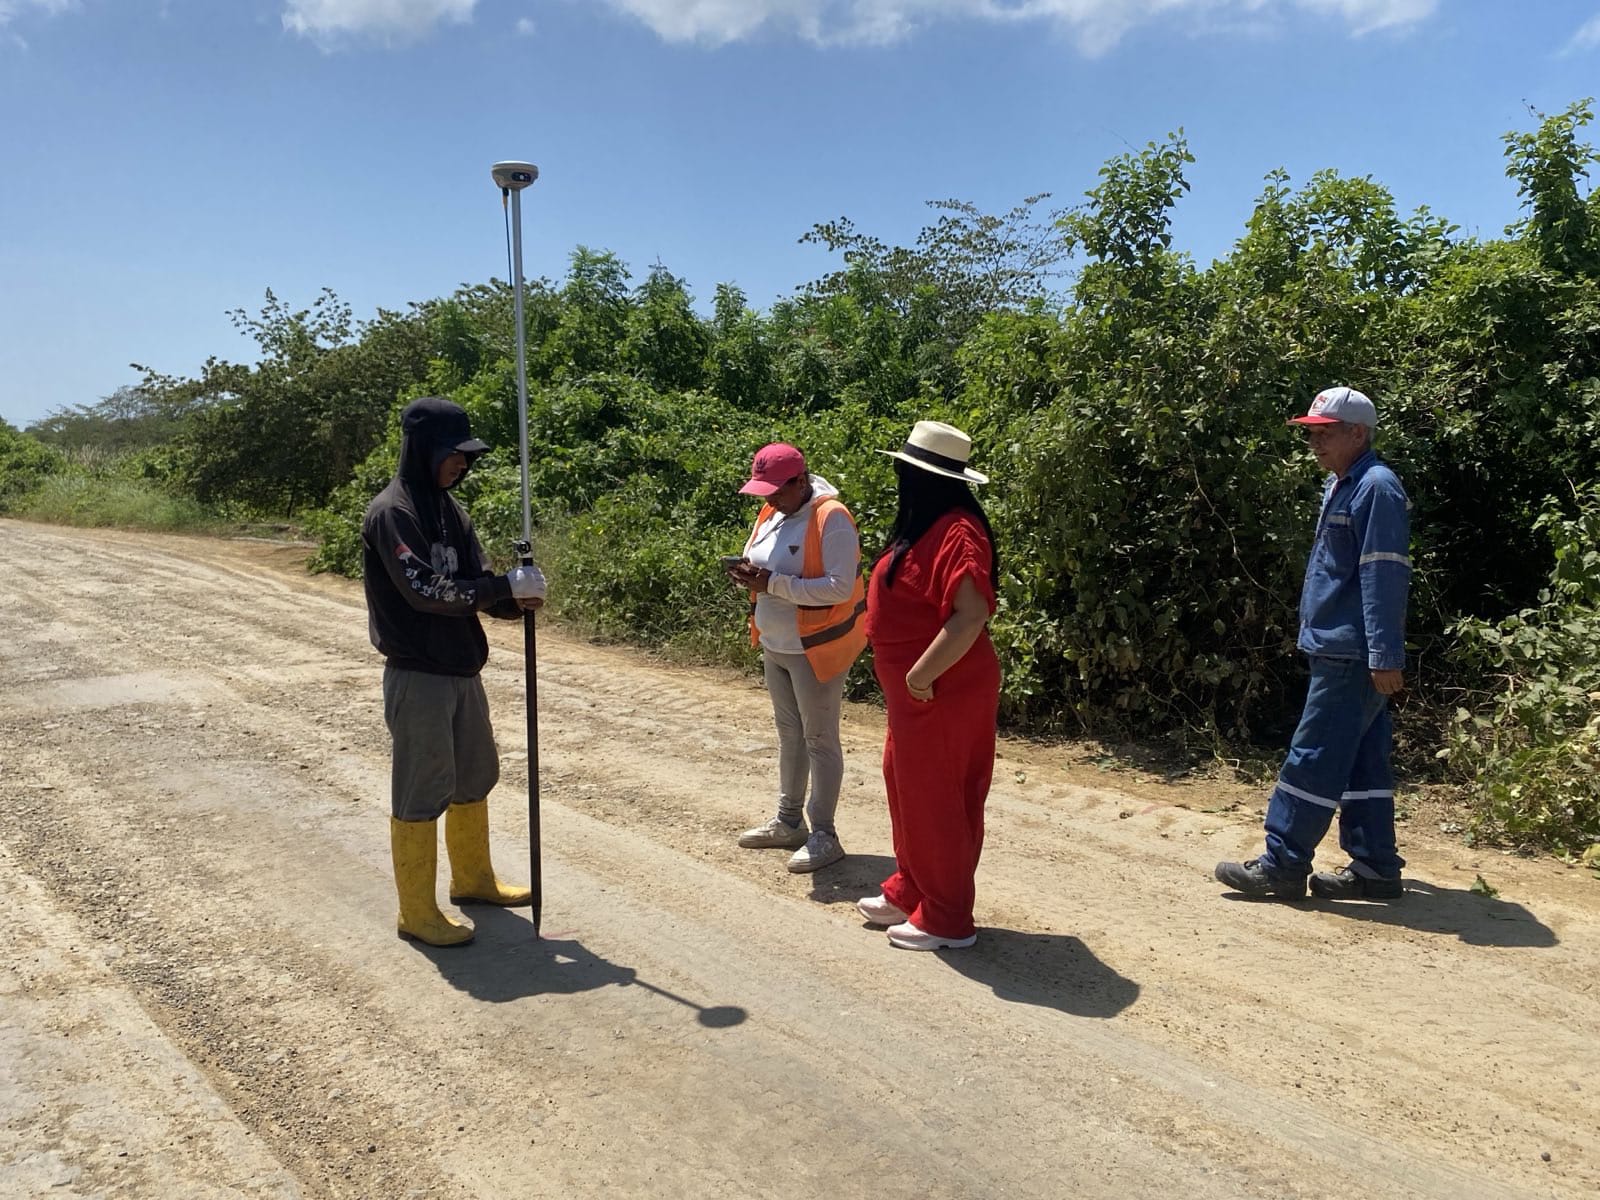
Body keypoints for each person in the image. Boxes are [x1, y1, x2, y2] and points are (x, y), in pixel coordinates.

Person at [361, 396, 548, 946]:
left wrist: (515, 599)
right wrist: (498, 587)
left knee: (473, 776)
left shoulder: (450, 510)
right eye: (453, 453)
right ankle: (416, 911)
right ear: (423, 449)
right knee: (422, 788)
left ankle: (473, 879)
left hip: (463, 666)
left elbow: (474, 581)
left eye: (467, 456)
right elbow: (424, 590)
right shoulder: (393, 512)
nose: (462, 464)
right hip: (418, 672)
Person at [1215, 386, 1411, 901]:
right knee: (1363, 761)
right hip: (1339, 647)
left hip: (1352, 652)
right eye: (1311, 434)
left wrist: (1384, 655)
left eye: (1325, 433)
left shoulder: (1376, 487)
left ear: (1358, 433)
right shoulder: (1342, 484)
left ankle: (1282, 865)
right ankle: (1376, 868)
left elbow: (1383, 575)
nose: (1315, 443)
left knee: (1314, 755)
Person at [855, 420, 1000, 950]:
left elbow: (971, 614)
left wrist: (919, 674)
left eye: (905, 470)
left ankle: (947, 917)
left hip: (941, 688)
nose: (900, 477)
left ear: (922, 477)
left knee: (938, 799)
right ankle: (913, 889)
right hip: (917, 695)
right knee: (906, 786)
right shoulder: (927, 523)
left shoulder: (957, 529)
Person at [726, 442, 867, 873]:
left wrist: (772, 584)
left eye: (776, 490)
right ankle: (789, 822)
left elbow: (839, 587)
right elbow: (765, 565)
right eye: (763, 491)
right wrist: (747, 576)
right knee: (790, 735)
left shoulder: (832, 518)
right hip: (777, 644)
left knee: (820, 739)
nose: (769, 499)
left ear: (801, 481)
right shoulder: (772, 513)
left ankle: (825, 833)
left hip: (815, 649)